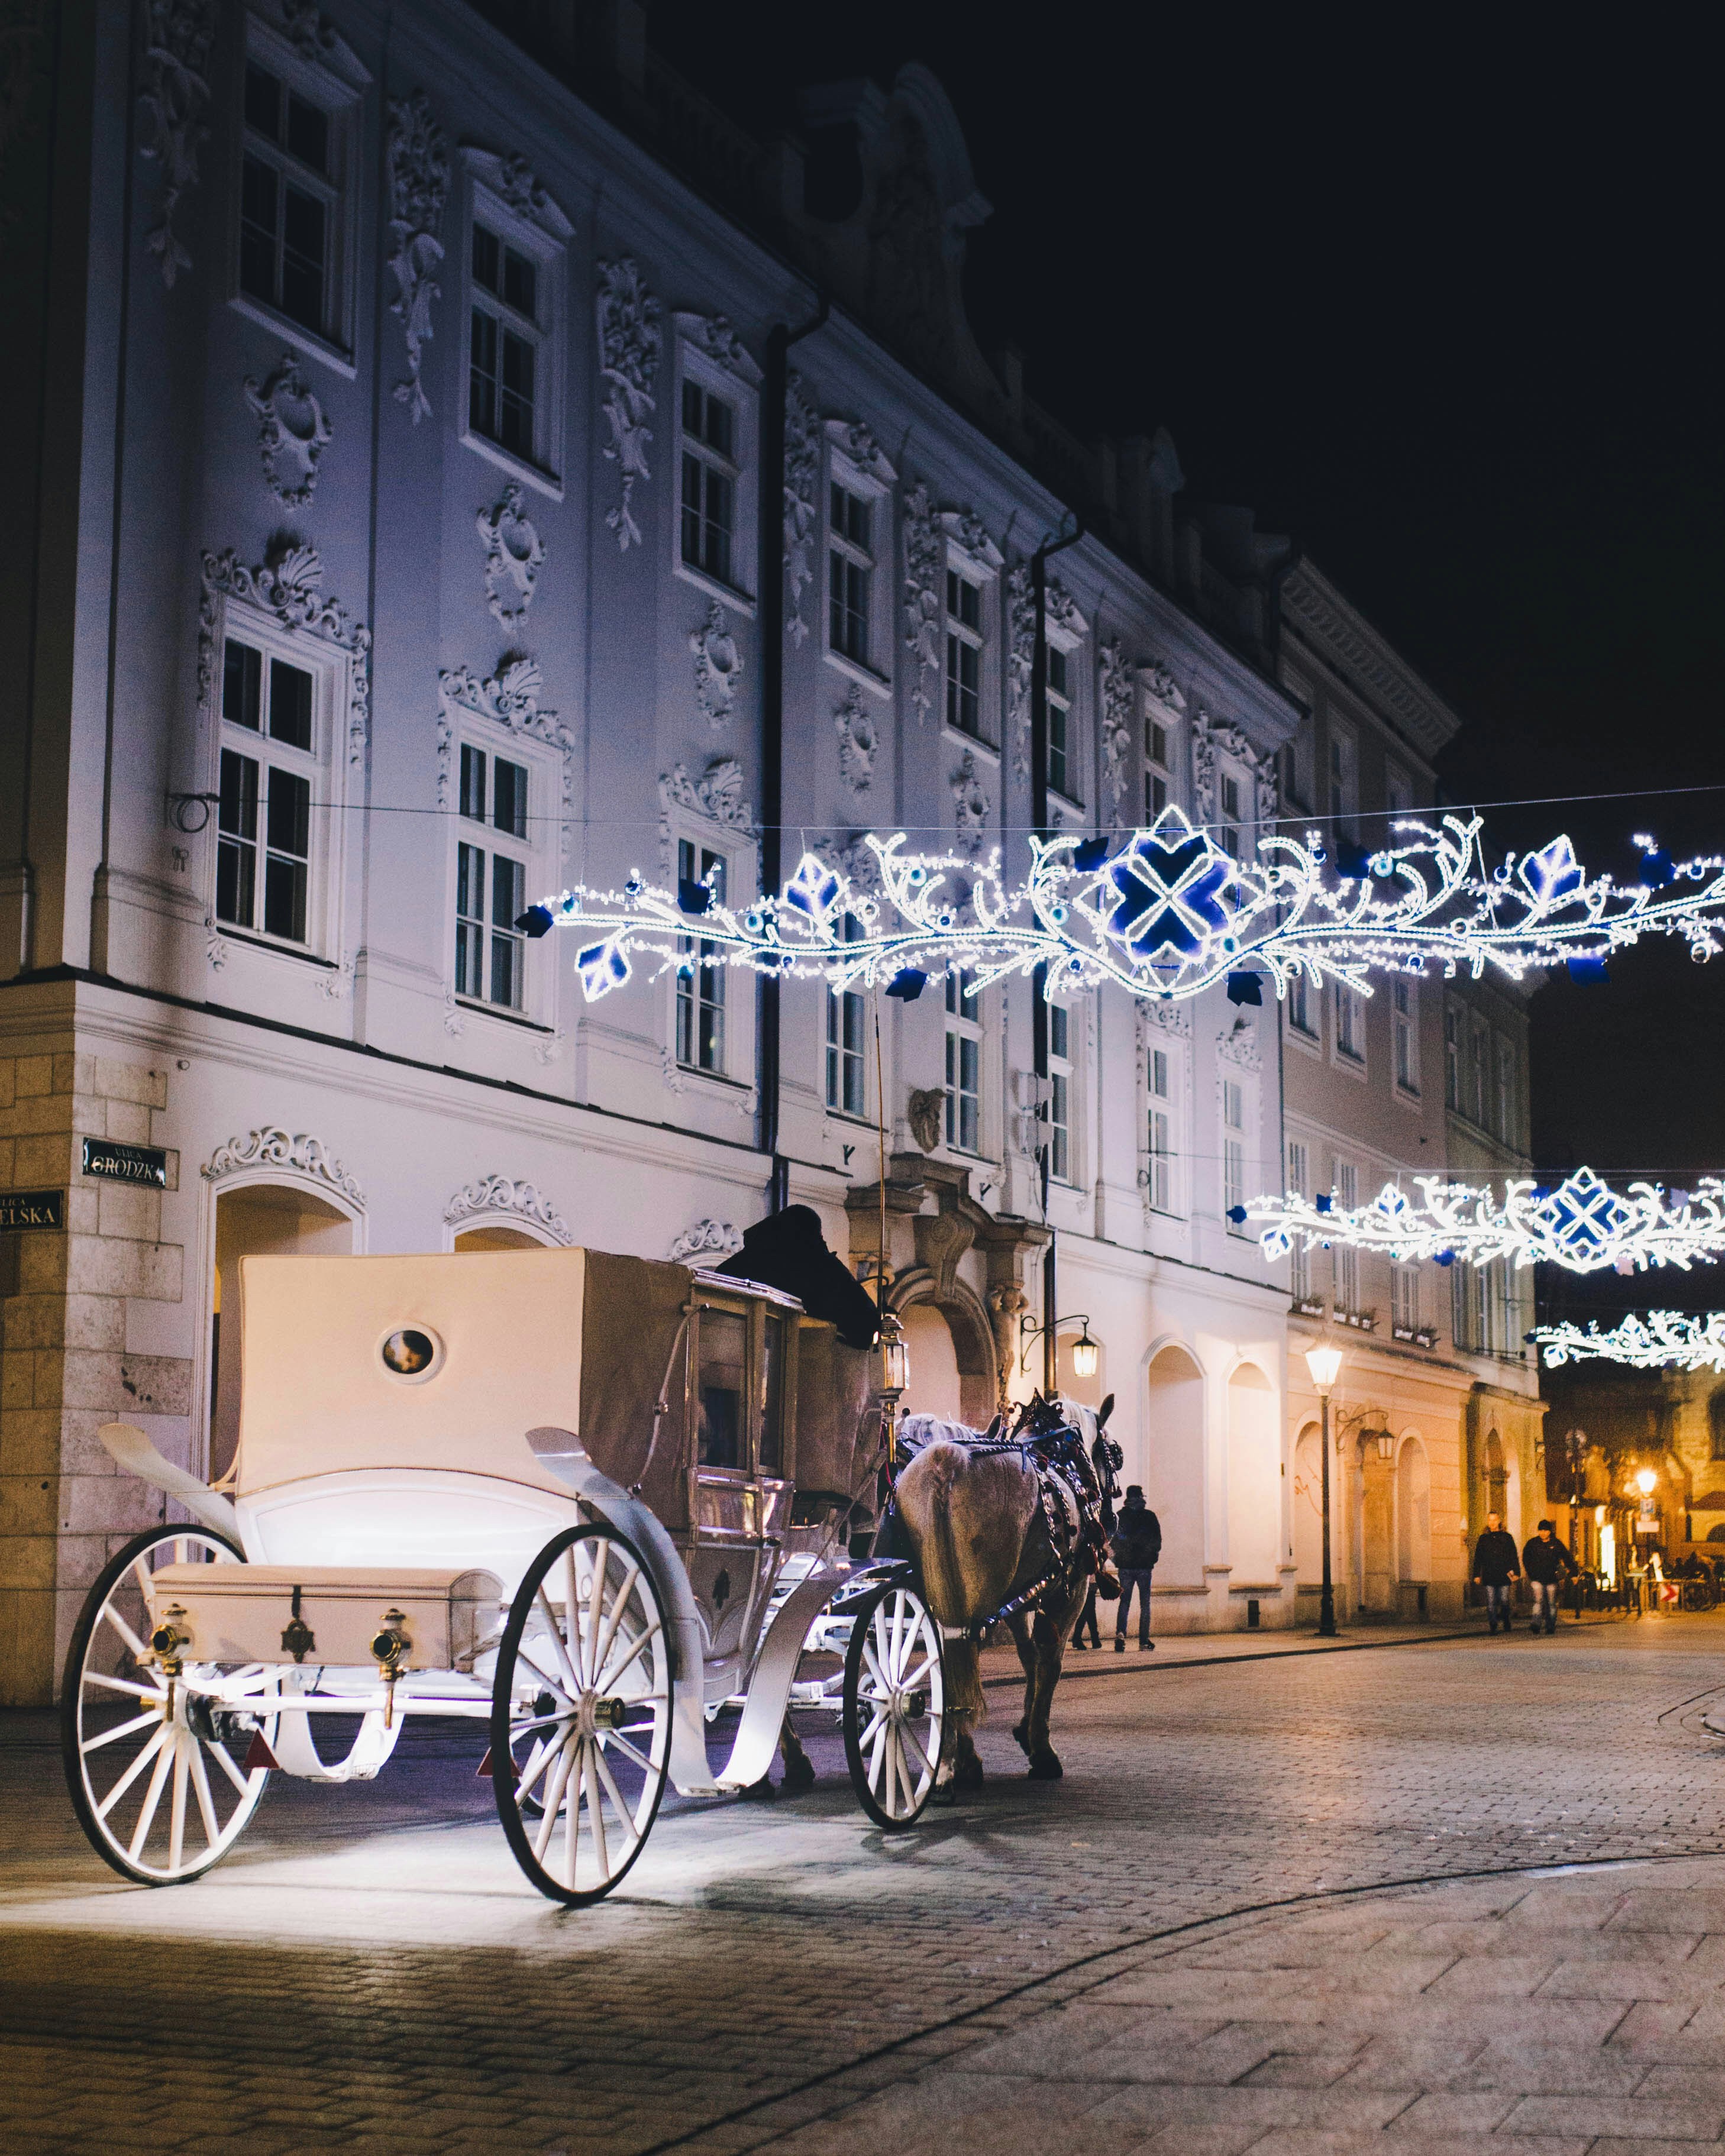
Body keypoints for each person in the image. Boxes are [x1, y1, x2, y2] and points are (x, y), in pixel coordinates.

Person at [1112, 1484, 1161, 1652]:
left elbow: (1113, 1541)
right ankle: (1144, 1641)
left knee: (1124, 1602)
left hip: (1125, 1566)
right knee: (1145, 1604)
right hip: (1144, 1567)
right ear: (1141, 1498)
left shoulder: (1120, 1517)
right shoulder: (1149, 1517)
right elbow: (1157, 1541)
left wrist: (1118, 1559)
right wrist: (1152, 1558)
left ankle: (1120, 1634)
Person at [1522, 1518, 1577, 1634]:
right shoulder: (1533, 1544)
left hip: (1551, 1578)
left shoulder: (1556, 1544)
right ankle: (1536, 1624)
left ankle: (1550, 1625)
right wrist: (1531, 1572)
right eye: (1541, 1530)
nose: (1543, 1533)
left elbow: (1567, 1558)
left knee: (1551, 1602)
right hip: (1537, 1578)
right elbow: (1526, 1558)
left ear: (1550, 1532)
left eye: (1545, 1531)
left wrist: (1574, 1573)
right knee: (1538, 1601)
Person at [1472, 1511, 1522, 1634]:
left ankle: (1506, 1620)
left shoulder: (1507, 1537)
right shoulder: (1483, 1539)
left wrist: (1516, 1572)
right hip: (1489, 1575)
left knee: (1504, 1601)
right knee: (1491, 1602)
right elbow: (1478, 1558)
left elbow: (1513, 1556)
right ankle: (1493, 1625)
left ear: (1499, 1521)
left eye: (1494, 1520)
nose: (1492, 1523)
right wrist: (1477, 1575)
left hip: (1504, 1575)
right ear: (1488, 1522)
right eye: (1490, 1520)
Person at [1071, 1582, 1101, 1650]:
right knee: (1087, 1609)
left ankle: (1094, 1638)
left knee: (1090, 1609)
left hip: (1091, 1580)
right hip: (1087, 1580)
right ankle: (1078, 1637)